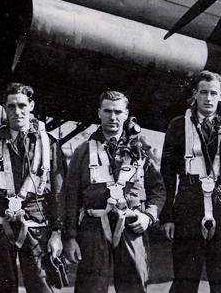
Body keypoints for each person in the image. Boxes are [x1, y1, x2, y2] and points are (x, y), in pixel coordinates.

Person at [63, 90, 165, 293]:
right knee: (90, 288)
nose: (113, 117)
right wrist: (70, 238)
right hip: (93, 228)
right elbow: (70, 196)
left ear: (126, 114)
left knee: (135, 286)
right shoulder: (83, 151)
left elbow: (158, 189)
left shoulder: (141, 151)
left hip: (131, 226)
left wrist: (148, 217)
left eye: (118, 112)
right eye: (107, 111)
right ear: (99, 113)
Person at [160, 70, 221, 293]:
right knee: (185, 278)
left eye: (213, 93)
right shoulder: (177, 125)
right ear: (195, 94)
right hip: (188, 205)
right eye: (203, 93)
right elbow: (167, 175)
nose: (208, 98)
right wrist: (167, 217)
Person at [0, 83, 67, 292]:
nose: (17, 111)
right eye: (12, 106)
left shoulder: (49, 146)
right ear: (5, 109)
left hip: (37, 228)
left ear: (32, 105)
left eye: (22, 105)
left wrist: (57, 233)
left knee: (41, 287)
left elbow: (59, 195)